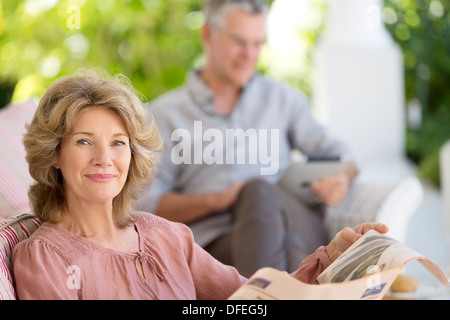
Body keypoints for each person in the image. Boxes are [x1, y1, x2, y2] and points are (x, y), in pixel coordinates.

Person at [12, 71, 388, 300]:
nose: (104, 158)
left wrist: (332, 256)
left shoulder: (167, 237)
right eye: (83, 141)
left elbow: (253, 297)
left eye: (117, 142)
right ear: (55, 154)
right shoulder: (43, 258)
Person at [136, 0, 359, 277]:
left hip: (292, 224)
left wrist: (342, 177)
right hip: (219, 243)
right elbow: (144, 203)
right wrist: (216, 200)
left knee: (258, 192)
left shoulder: (282, 99)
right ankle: (293, 286)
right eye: (239, 42)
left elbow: (343, 155)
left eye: (257, 44)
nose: (249, 55)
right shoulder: (164, 114)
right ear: (207, 34)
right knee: (271, 237)